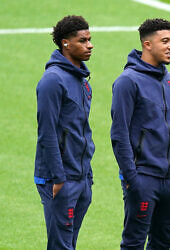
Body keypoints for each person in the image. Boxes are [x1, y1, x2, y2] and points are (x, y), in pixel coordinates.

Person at [110, 18, 170, 249]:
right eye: (165, 41)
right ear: (147, 44)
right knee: (134, 243)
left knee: (163, 242)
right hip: (144, 179)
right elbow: (119, 134)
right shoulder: (127, 82)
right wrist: (132, 178)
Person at [34, 15, 94, 249]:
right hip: (58, 179)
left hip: (81, 178)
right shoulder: (52, 81)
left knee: (69, 243)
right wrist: (58, 178)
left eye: (90, 39)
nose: (90, 45)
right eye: (83, 40)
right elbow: (47, 133)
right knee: (61, 245)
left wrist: (87, 175)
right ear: (65, 43)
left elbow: (82, 130)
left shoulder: (81, 80)